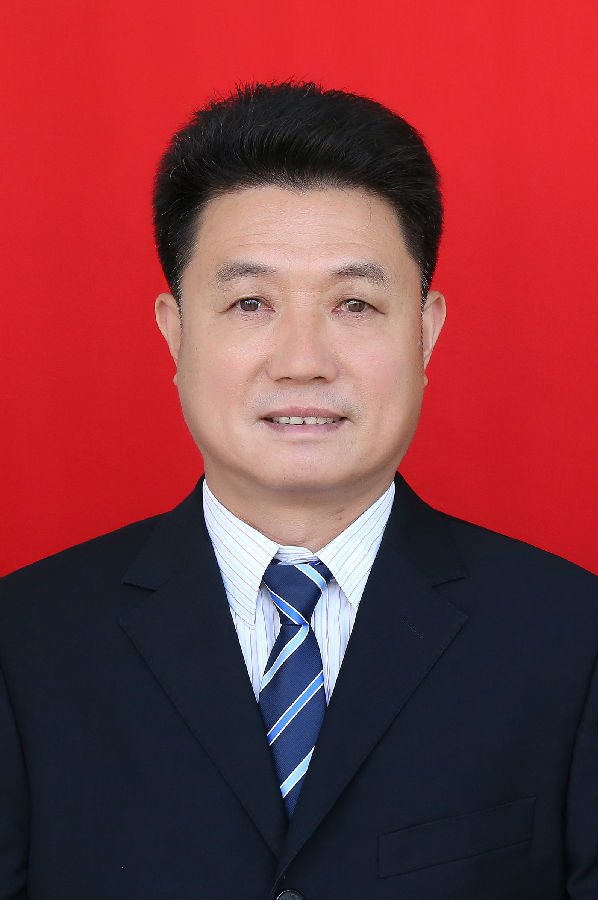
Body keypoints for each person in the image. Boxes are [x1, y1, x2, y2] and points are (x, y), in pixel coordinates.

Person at [0, 82, 595, 900]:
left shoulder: (572, 641)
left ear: (425, 332)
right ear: (175, 332)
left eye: (355, 303)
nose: (304, 361)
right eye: (251, 303)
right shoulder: (24, 645)